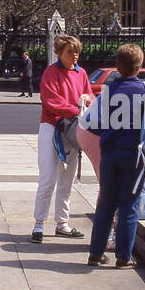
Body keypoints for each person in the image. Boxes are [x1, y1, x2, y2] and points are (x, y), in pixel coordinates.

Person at [85, 44, 145, 268]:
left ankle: (95, 253)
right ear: (139, 67)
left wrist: (108, 132)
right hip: (132, 152)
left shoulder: (107, 90)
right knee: (129, 205)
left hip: (109, 152)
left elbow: (89, 122)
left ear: (117, 66)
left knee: (106, 203)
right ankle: (123, 256)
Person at [31, 34, 91, 243]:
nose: (74, 55)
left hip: (72, 129)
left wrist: (86, 101)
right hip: (52, 127)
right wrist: (76, 109)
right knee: (47, 178)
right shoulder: (51, 72)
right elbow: (50, 101)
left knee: (67, 179)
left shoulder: (81, 73)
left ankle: (62, 223)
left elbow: (89, 96)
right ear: (58, 53)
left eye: (76, 52)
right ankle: (39, 224)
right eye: (69, 52)